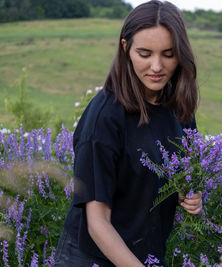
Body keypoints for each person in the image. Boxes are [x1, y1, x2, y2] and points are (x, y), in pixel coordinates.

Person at [54, 1, 202, 266]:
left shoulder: (179, 107)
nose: (157, 66)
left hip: (148, 253)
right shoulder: (105, 117)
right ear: (126, 48)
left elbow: (178, 177)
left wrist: (189, 196)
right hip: (93, 257)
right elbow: (97, 222)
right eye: (144, 54)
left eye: (168, 54)